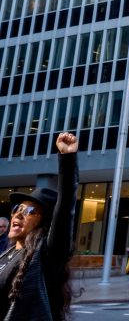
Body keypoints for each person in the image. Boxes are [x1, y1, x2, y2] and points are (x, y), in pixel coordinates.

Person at [0, 132, 79, 321]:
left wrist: (67, 158)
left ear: (44, 223)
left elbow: (65, 205)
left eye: (30, 211)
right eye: (18, 208)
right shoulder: (7, 252)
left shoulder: (47, 254)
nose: (18, 214)